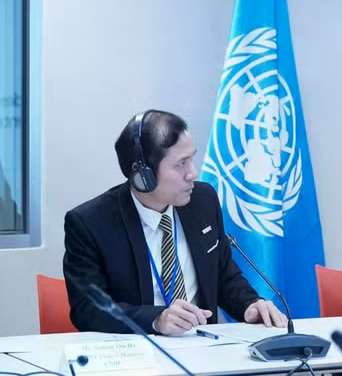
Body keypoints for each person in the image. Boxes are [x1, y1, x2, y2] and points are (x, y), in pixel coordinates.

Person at [63, 109, 287, 335]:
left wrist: (249, 305)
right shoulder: (90, 224)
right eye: (181, 164)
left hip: (207, 350)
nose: (194, 173)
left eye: (192, 159)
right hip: (140, 355)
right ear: (144, 175)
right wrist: (156, 319)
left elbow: (223, 276)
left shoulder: (203, 200)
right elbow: (87, 309)